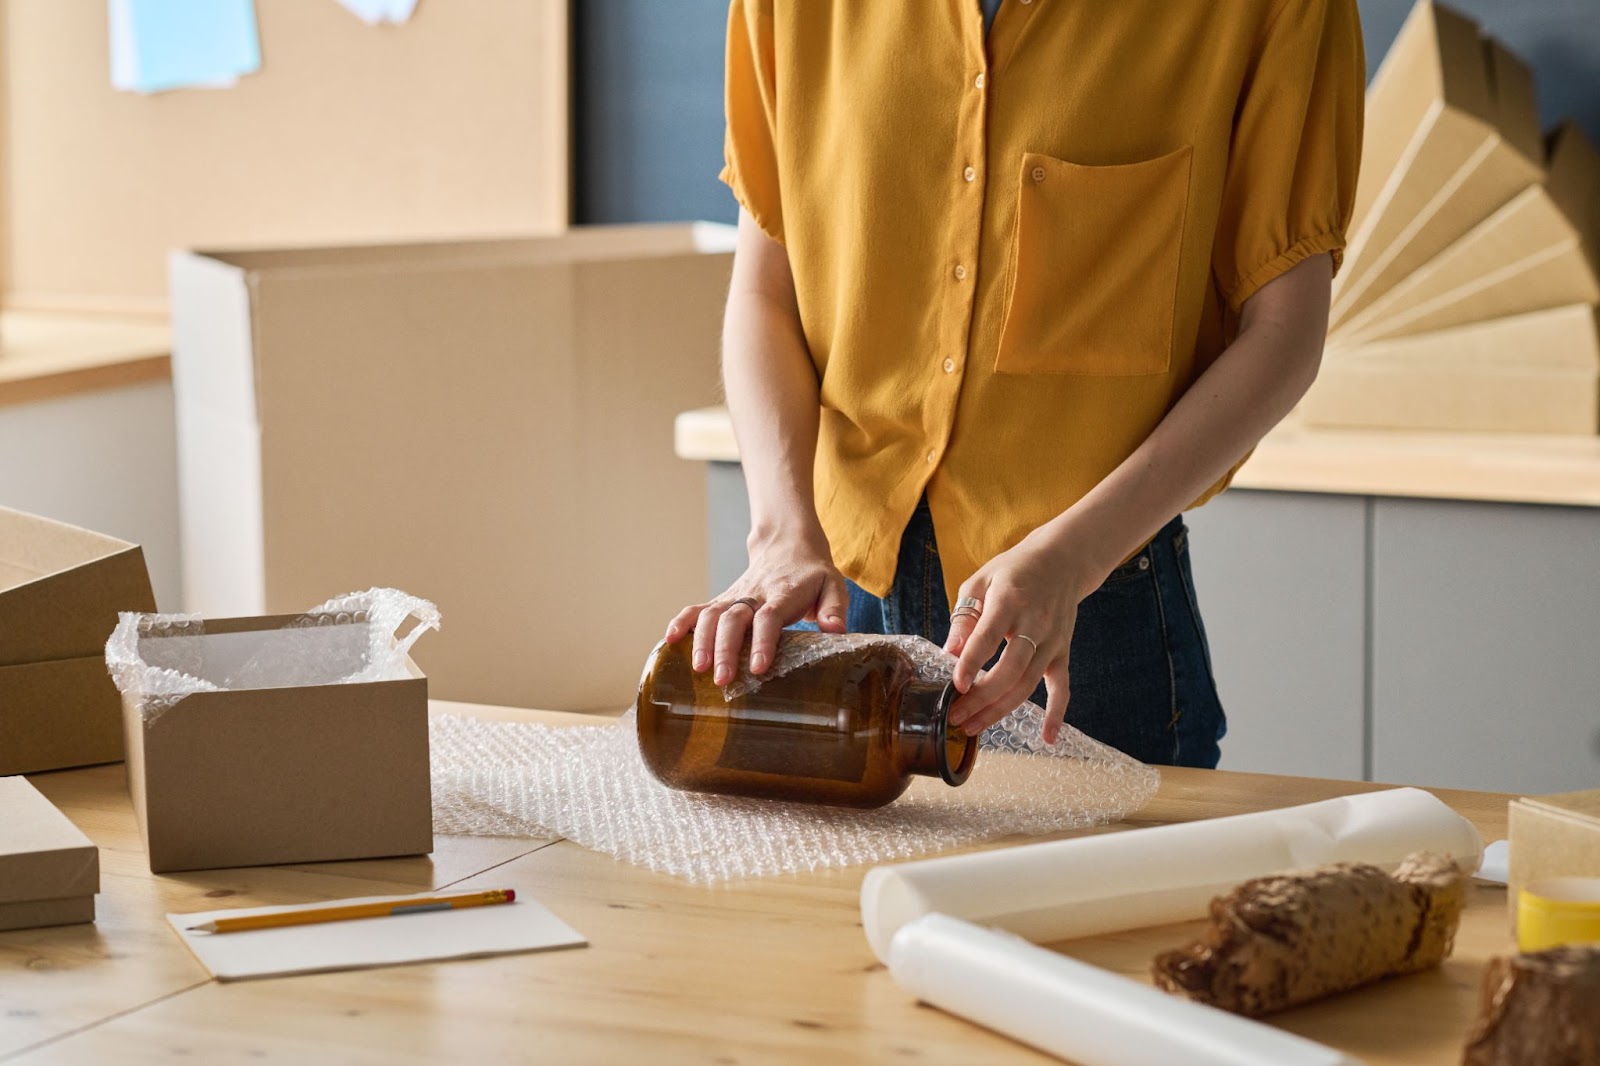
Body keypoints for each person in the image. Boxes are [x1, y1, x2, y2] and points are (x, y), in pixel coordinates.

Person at [665, 0, 1364, 767]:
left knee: (1113, 893)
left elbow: (1285, 332)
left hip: (1097, 613)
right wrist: (779, 535)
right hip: (833, 599)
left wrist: (1074, 557)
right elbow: (768, 289)